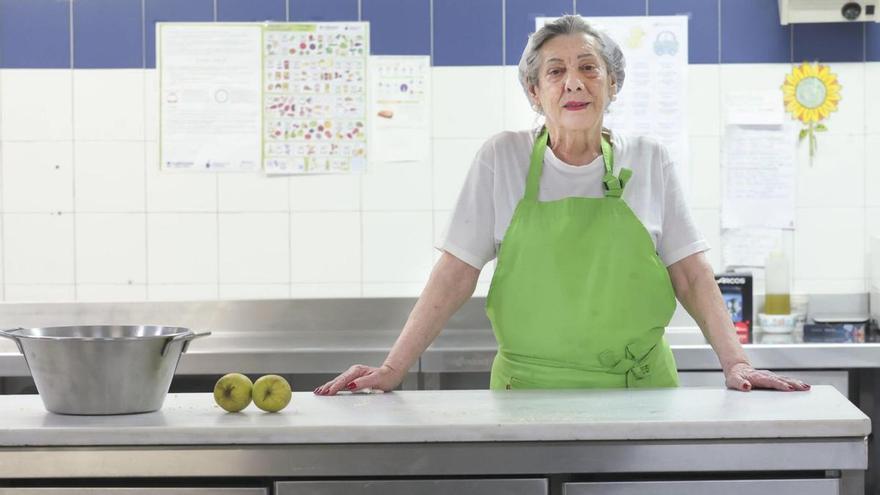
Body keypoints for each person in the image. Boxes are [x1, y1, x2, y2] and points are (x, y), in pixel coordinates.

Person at [315, 15, 809, 395]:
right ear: (535, 93)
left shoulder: (650, 160)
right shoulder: (502, 158)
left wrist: (736, 363)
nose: (573, 82)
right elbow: (455, 272)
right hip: (527, 394)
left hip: (640, 394)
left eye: (588, 68)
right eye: (556, 71)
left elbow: (692, 274)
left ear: (612, 84)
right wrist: (392, 368)